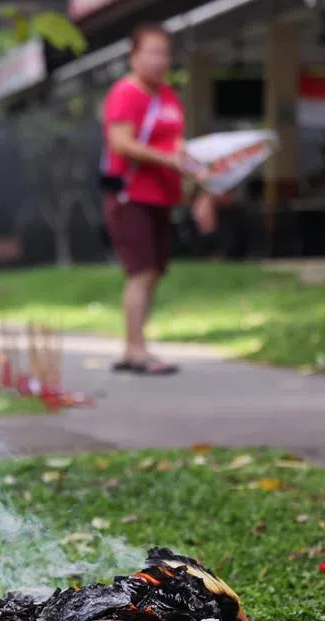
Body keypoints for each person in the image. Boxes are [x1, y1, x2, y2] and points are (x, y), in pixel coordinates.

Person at [101, 23, 200, 376]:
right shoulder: (125, 93)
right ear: (134, 56)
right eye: (153, 52)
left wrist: (197, 174)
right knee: (141, 272)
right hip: (132, 197)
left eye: (165, 53)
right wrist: (167, 159)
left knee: (154, 271)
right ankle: (135, 349)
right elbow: (121, 143)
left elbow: (177, 145)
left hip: (163, 197)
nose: (161, 60)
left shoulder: (169, 97)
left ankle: (135, 345)